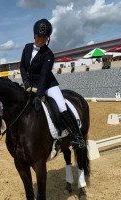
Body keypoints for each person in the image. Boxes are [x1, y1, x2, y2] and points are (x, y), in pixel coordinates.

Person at [19, 18, 85, 149]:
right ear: (34, 35)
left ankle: (77, 136)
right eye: (39, 37)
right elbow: (22, 67)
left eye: (44, 37)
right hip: (30, 84)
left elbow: (44, 76)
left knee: (61, 106)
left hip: (48, 85)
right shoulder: (27, 48)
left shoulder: (48, 54)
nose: (41, 40)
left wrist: (38, 95)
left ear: (48, 38)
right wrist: (26, 83)